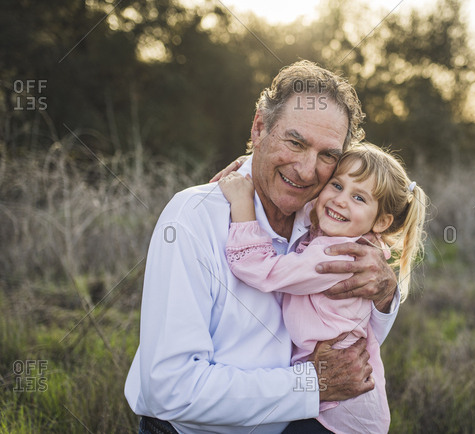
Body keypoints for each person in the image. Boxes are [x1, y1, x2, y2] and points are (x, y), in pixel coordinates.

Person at [125, 60, 401, 434]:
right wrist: (309, 384)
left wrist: (385, 292)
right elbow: (168, 389)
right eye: (295, 141)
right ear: (259, 127)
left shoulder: (325, 218)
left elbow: (354, 331)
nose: (306, 170)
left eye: (327, 156)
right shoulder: (192, 219)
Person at [218, 143, 427, 433]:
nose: (340, 200)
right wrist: (256, 164)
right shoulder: (350, 239)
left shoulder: (337, 257)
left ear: (381, 221)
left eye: (358, 197)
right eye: (336, 185)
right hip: (339, 407)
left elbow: (259, 268)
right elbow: (306, 205)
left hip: (334, 416)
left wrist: (242, 204)